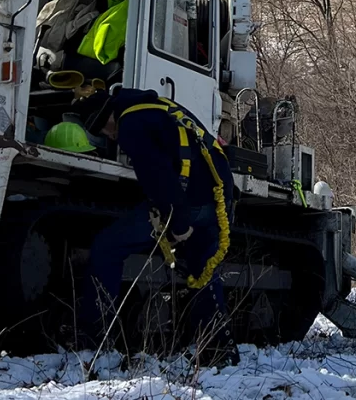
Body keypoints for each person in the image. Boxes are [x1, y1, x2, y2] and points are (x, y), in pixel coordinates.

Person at [77, 87, 238, 366]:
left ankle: (94, 341)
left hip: (189, 202)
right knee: (203, 270)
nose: (107, 136)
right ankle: (219, 349)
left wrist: (178, 223)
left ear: (107, 117)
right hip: (217, 199)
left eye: (103, 129)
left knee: (107, 247)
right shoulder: (159, 107)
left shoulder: (130, 124)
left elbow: (158, 177)